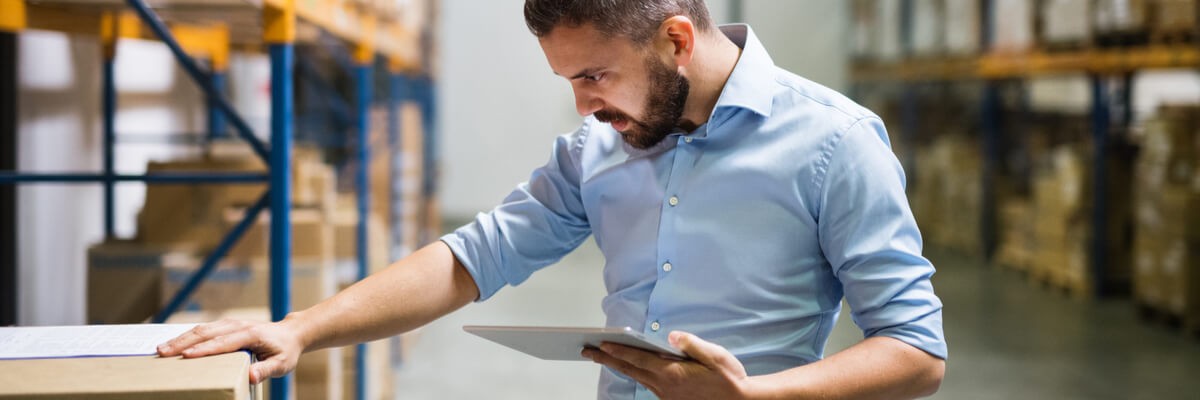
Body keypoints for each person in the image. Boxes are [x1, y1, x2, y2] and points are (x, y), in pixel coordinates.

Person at [158, 1, 947, 399]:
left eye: (594, 76)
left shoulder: (835, 142)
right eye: (570, 81)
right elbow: (471, 259)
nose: (582, 108)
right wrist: (300, 329)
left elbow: (916, 350)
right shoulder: (596, 149)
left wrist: (752, 397)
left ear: (675, 39)